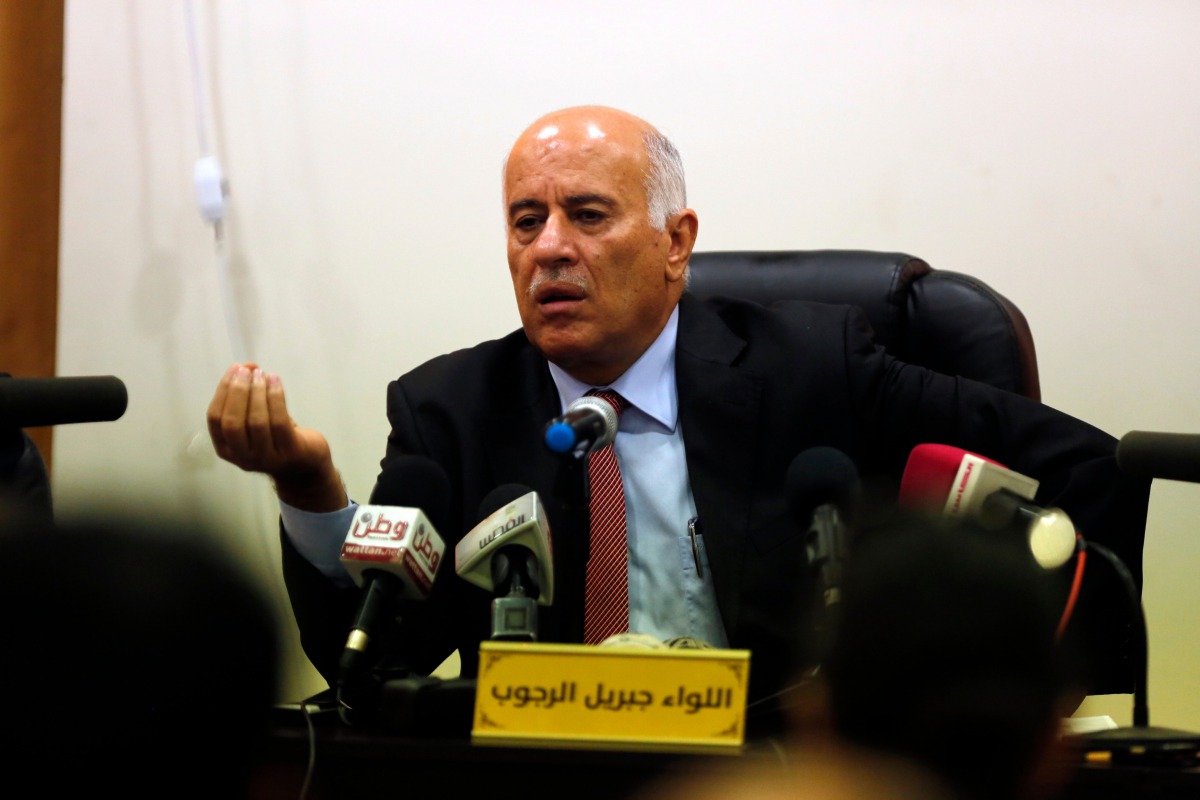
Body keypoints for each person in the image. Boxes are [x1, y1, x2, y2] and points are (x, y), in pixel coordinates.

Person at [207, 105, 1149, 736]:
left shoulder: (818, 368)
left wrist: (995, 706)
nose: (550, 250)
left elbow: (1082, 474)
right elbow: (371, 672)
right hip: (554, 782)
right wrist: (307, 486)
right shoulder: (452, 408)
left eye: (586, 214)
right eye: (525, 220)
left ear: (676, 243)